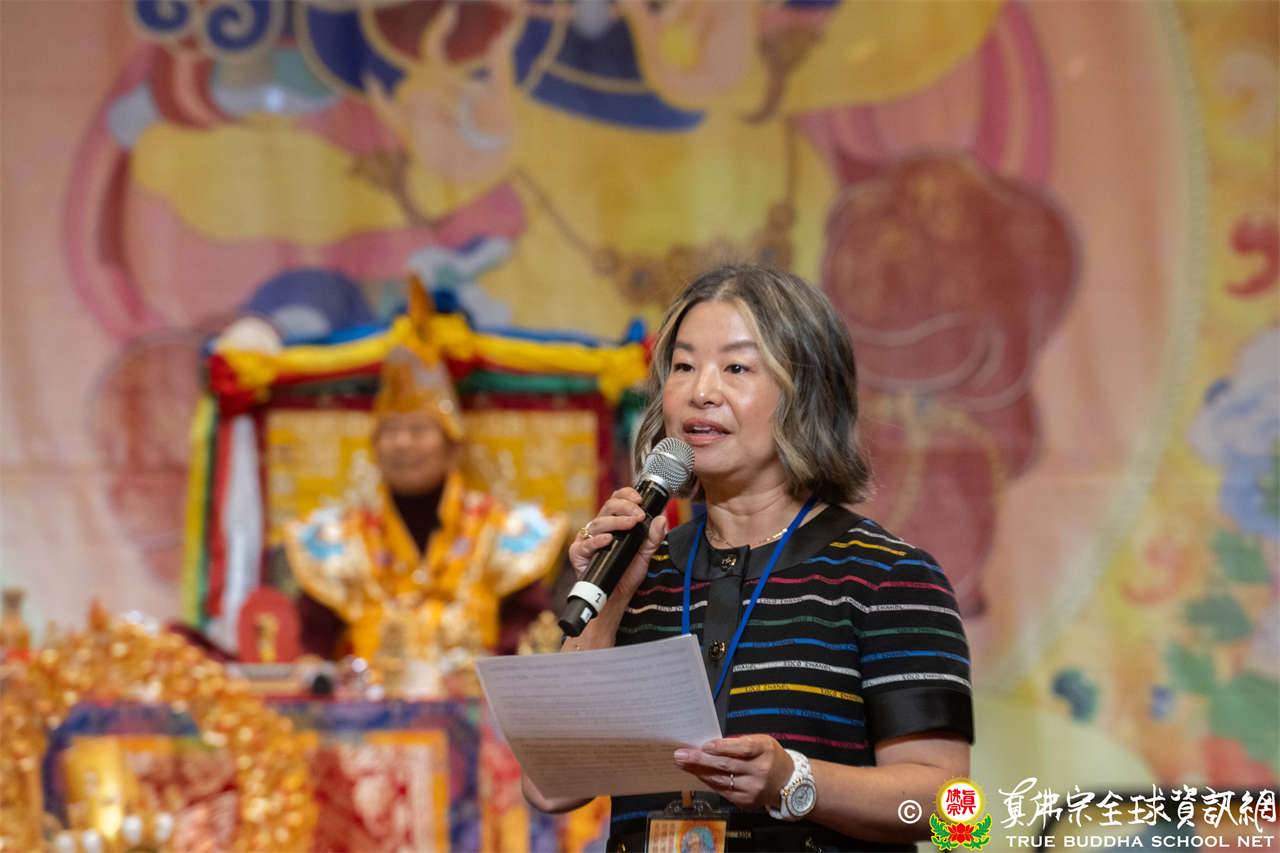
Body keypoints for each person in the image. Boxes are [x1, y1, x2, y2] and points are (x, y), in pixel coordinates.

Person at [522, 264, 973, 851]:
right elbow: (549, 787)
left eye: (736, 368)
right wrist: (610, 598)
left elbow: (952, 808)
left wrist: (794, 781)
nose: (700, 392)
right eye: (683, 366)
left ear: (807, 395)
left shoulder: (887, 577)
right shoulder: (641, 570)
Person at [283, 342, 568, 666]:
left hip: (477, 693)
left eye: (418, 430)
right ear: (374, 448)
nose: (403, 443)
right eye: (390, 430)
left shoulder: (501, 528)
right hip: (368, 695)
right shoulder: (340, 536)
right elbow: (313, 643)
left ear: (452, 447)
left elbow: (527, 631)